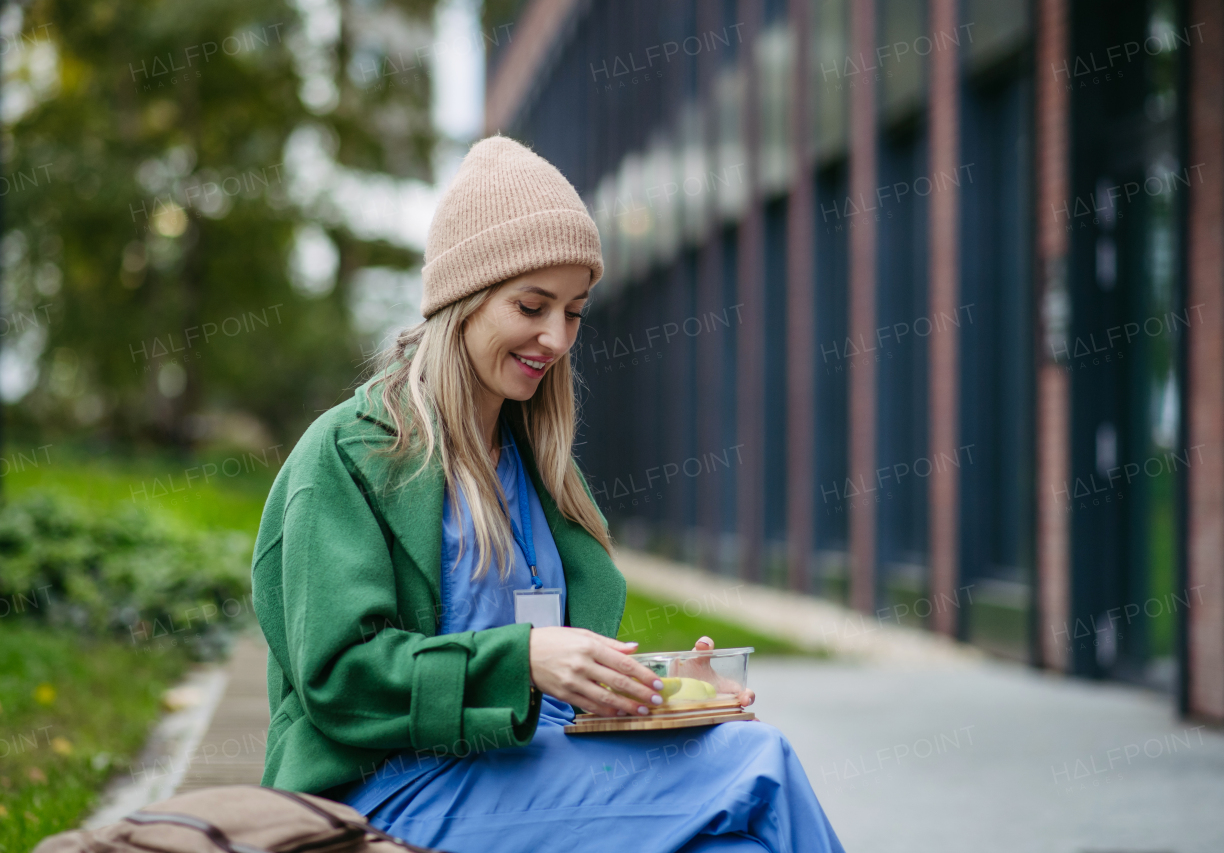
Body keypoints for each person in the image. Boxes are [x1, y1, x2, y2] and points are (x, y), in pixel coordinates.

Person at [251, 136, 845, 853]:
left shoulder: (538, 461)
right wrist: (524, 657)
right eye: (532, 305)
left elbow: (554, 681)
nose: (556, 336)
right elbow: (339, 678)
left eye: (574, 311)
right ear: (462, 299)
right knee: (760, 763)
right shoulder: (351, 451)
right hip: (396, 787)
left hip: (530, 767)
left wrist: (651, 690)